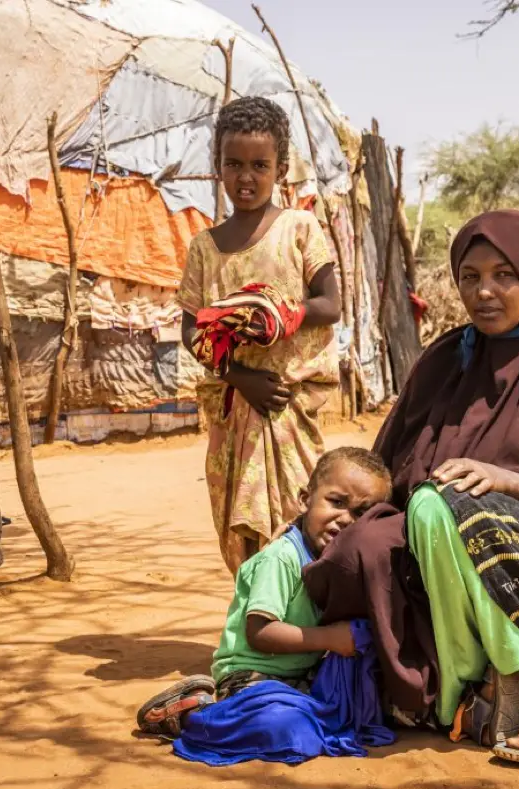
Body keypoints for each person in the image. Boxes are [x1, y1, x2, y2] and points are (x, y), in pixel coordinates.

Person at [303, 210, 519, 766]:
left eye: (504, 274)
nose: (484, 292)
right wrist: (322, 523)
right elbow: (388, 468)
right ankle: (454, 690)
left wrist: (513, 483)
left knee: (447, 508)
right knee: (360, 548)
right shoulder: (445, 358)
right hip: (433, 530)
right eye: (469, 276)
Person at [176, 96, 343, 574]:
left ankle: (298, 627)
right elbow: (192, 328)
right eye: (233, 164)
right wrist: (238, 376)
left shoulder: (299, 228)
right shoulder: (205, 248)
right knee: (236, 522)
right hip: (234, 407)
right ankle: (257, 623)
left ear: (281, 169)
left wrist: (284, 314)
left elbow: (330, 305)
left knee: (300, 515)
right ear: (218, 167)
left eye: (259, 165)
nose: (245, 177)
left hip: (289, 404)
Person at [137, 447, 392, 737]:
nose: (346, 519)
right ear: (304, 500)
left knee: (360, 708)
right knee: (283, 728)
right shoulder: (282, 557)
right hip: (251, 677)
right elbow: (260, 633)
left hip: (300, 677)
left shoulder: (337, 564)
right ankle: (192, 713)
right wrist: (331, 638)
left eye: (361, 513)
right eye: (336, 502)